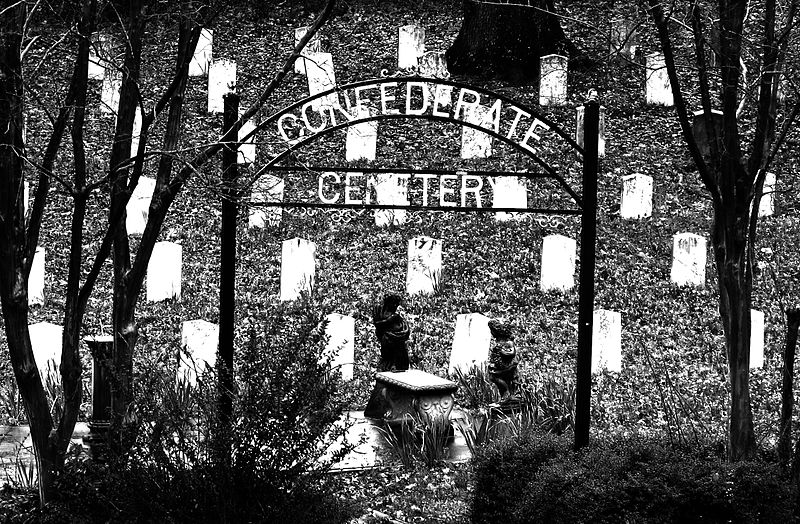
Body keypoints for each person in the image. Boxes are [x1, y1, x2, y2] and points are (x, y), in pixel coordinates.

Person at [364, 294, 410, 418]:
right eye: (393, 303)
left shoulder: (396, 318)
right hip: (390, 351)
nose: (395, 306)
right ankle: (381, 408)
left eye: (397, 304)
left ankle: (398, 408)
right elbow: (382, 327)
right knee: (387, 379)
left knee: (399, 377)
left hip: (399, 352)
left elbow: (406, 331)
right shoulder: (389, 317)